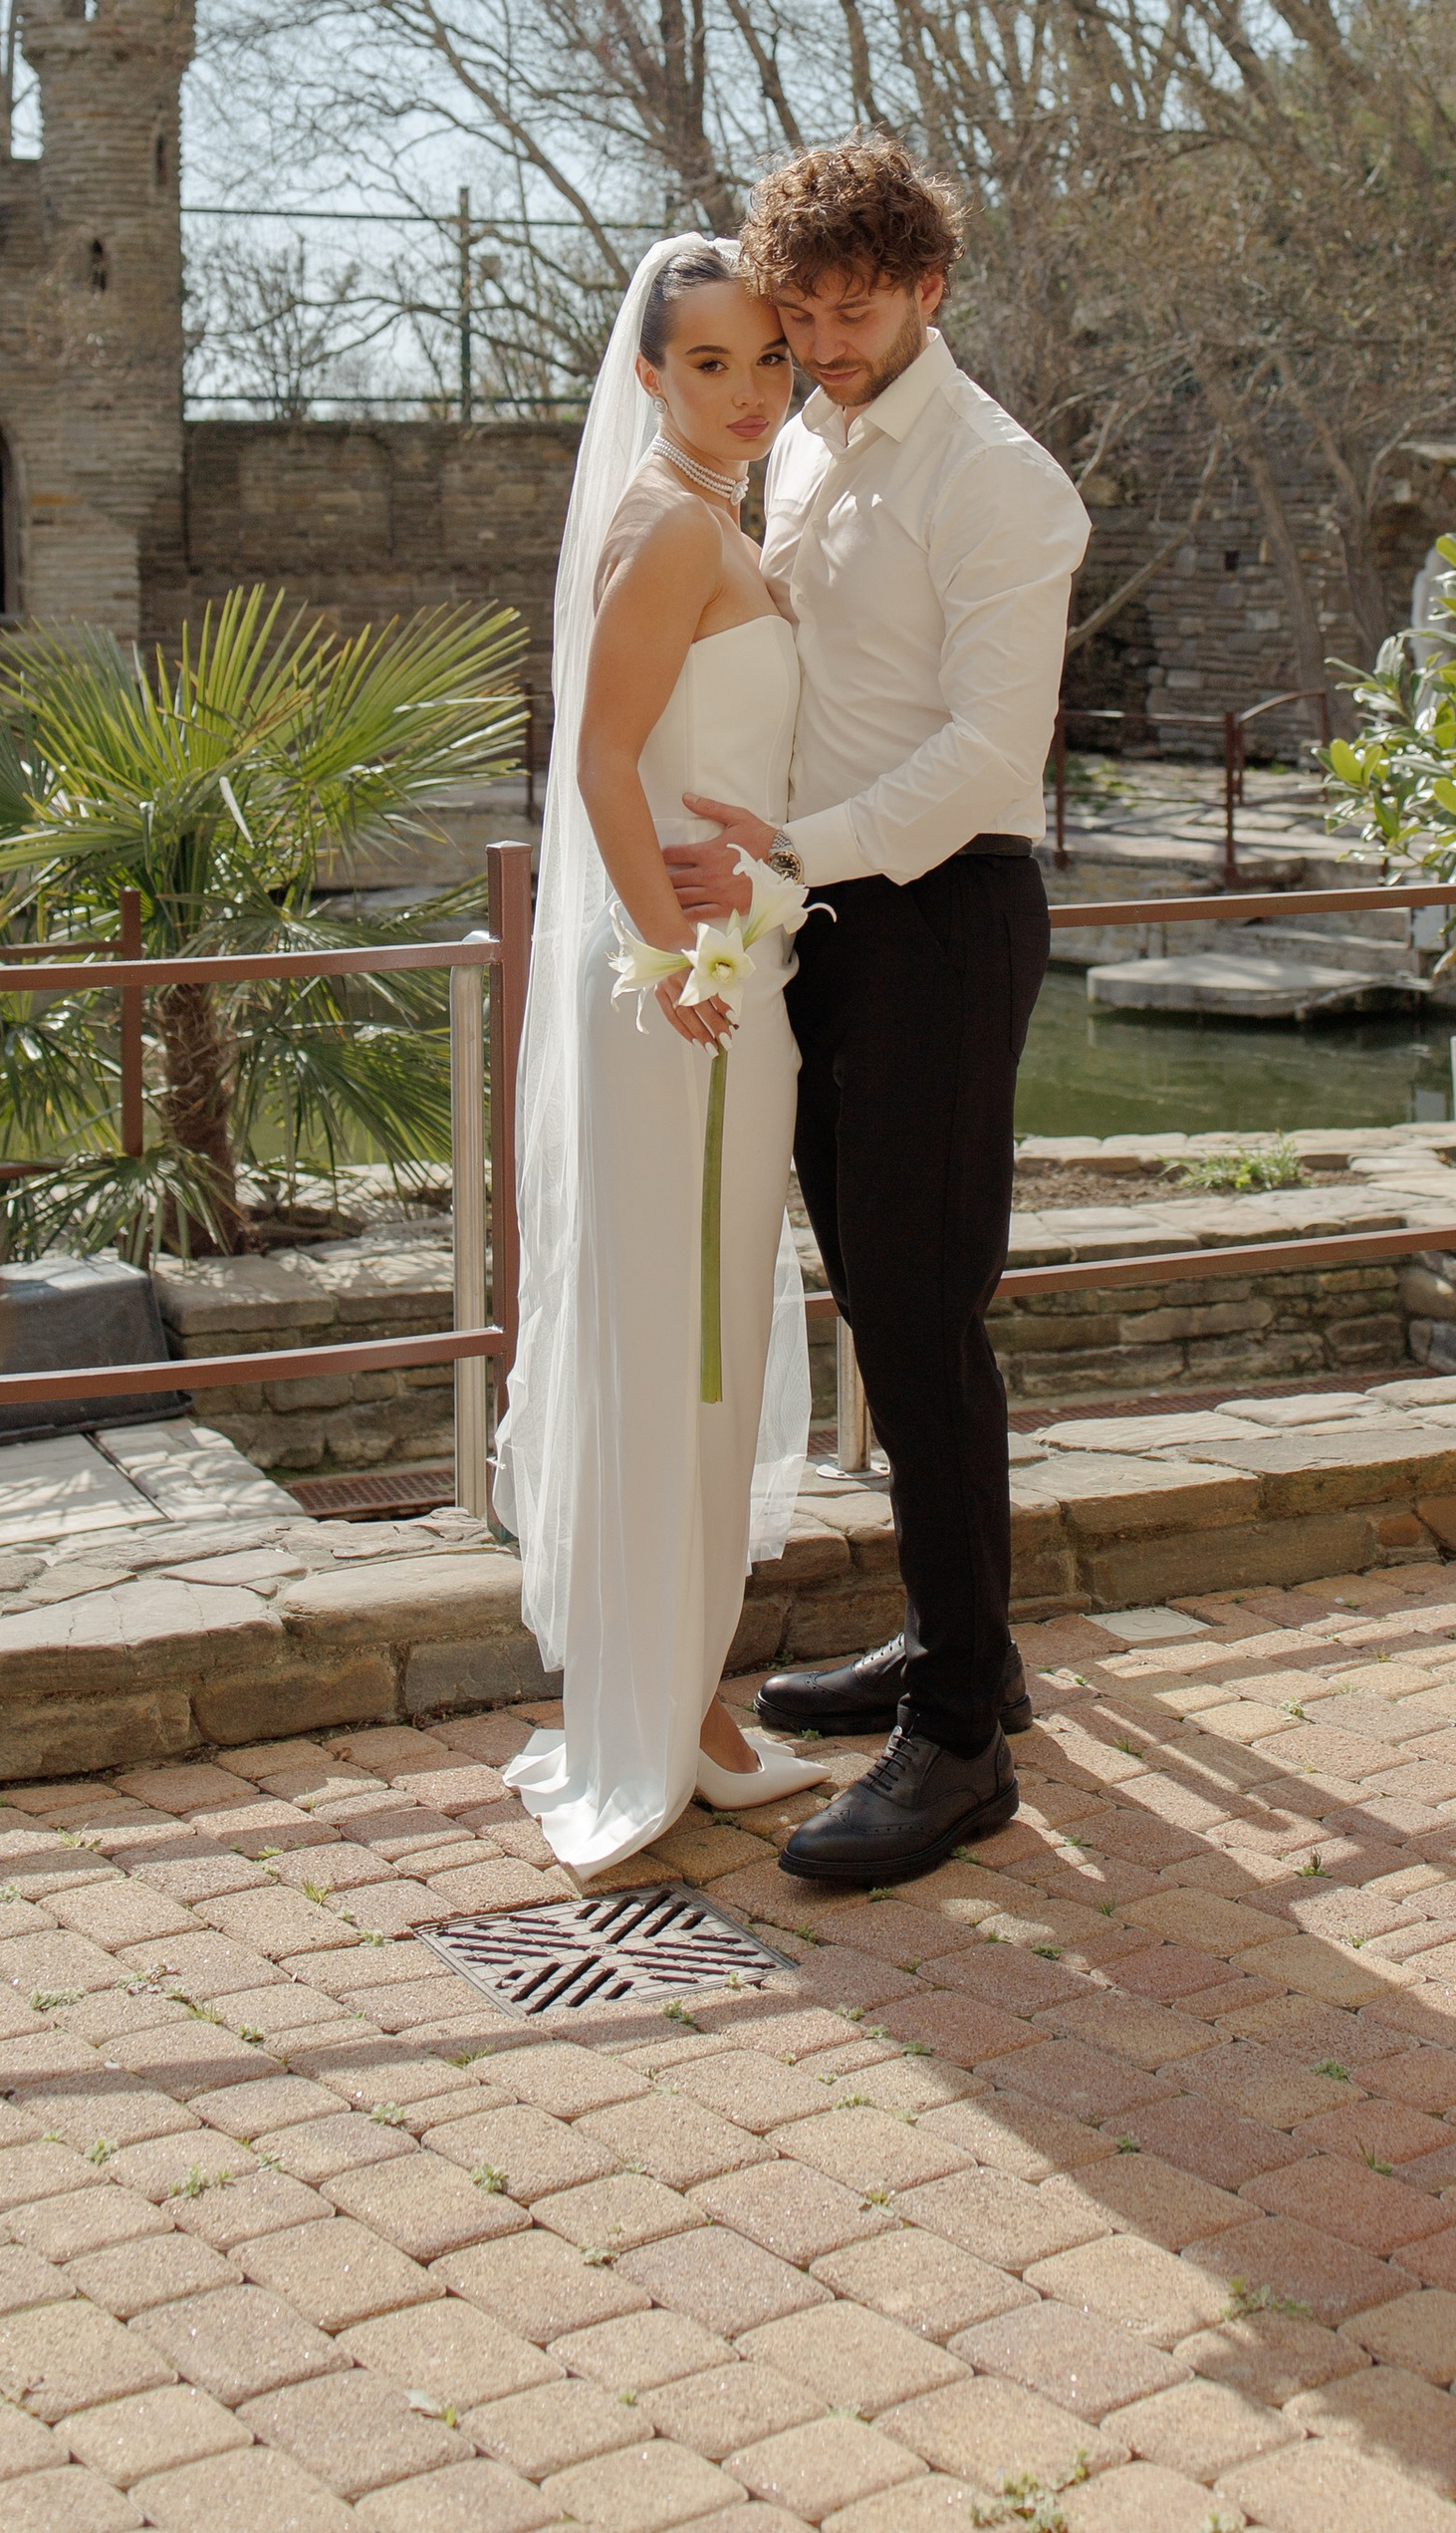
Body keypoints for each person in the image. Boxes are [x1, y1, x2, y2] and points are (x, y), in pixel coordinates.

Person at [664, 136, 1089, 1888]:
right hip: (825, 915)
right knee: (876, 1302)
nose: (826, 345)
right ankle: (955, 1644)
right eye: (805, 314)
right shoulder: (813, 440)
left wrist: (793, 859)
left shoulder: (999, 482)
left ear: (931, 288)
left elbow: (991, 757)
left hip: (940, 913)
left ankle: (965, 1745)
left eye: (857, 311)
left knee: (924, 1319)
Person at [492, 238, 828, 1876]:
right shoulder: (670, 525)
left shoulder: (724, 524)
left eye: (770, 361)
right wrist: (666, 955)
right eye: (712, 365)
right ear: (648, 376)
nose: (752, 392)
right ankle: (661, 1715)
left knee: (707, 1333)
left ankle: (685, 1696)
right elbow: (603, 757)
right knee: (686, 1338)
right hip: (686, 994)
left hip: (731, 969)